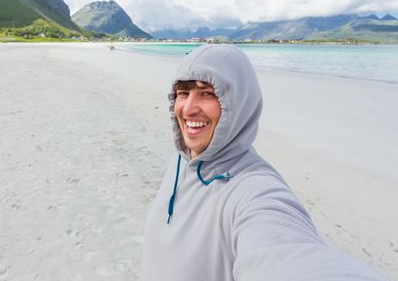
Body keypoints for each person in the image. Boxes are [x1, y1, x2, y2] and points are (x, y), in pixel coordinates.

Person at [141, 44, 385, 281]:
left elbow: (288, 253)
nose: (188, 108)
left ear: (239, 104)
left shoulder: (253, 189)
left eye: (207, 93)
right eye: (183, 93)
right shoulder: (180, 160)